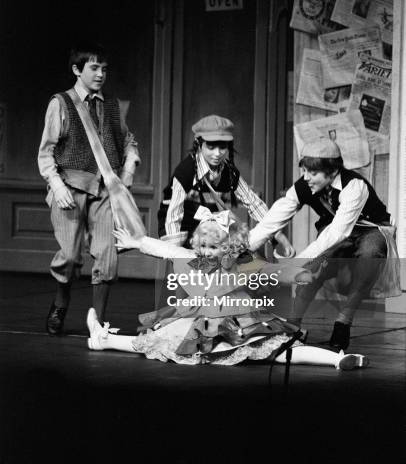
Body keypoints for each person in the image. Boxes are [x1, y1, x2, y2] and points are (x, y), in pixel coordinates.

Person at [86, 209, 369, 370]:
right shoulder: (190, 261)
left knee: (278, 350)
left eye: (215, 246)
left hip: (240, 321)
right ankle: (102, 338)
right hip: (197, 321)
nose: (208, 252)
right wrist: (138, 242)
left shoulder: (240, 264)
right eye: (204, 246)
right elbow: (164, 249)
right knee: (156, 340)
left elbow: (273, 270)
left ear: (228, 246)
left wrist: (300, 274)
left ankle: (338, 359)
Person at [249, 137, 400, 350]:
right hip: (334, 229)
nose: (306, 178)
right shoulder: (304, 185)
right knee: (314, 268)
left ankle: (343, 321)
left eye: (313, 173)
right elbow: (272, 220)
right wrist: (244, 249)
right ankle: (294, 326)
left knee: (370, 253)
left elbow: (339, 231)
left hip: (369, 230)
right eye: (304, 171)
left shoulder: (354, 185)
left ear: (332, 171)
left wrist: (297, 262)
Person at [38, 41, 140, 335]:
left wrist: (129, 167)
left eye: (104, 69)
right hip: (69, 187)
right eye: (94, 67)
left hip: (105, 190)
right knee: (70, 256)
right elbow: (46, 152)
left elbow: (128, 141)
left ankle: (98, 321)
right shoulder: (61, 103)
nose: (100, 74)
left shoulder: (111, 105)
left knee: (108, 255)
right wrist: (56, 186)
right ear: (76, 69)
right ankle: (61, 301)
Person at [157, 114, 293, 255]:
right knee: (195, 267)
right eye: (211, 147)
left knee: (242, 257)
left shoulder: (228, 171)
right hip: (178, 225)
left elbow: (253, 203)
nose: (217, 154)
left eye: (222, 147)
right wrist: (175, 252)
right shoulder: (186, 171)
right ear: (199, 144)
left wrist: (278, 236)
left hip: (209, 223)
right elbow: (174, 214)